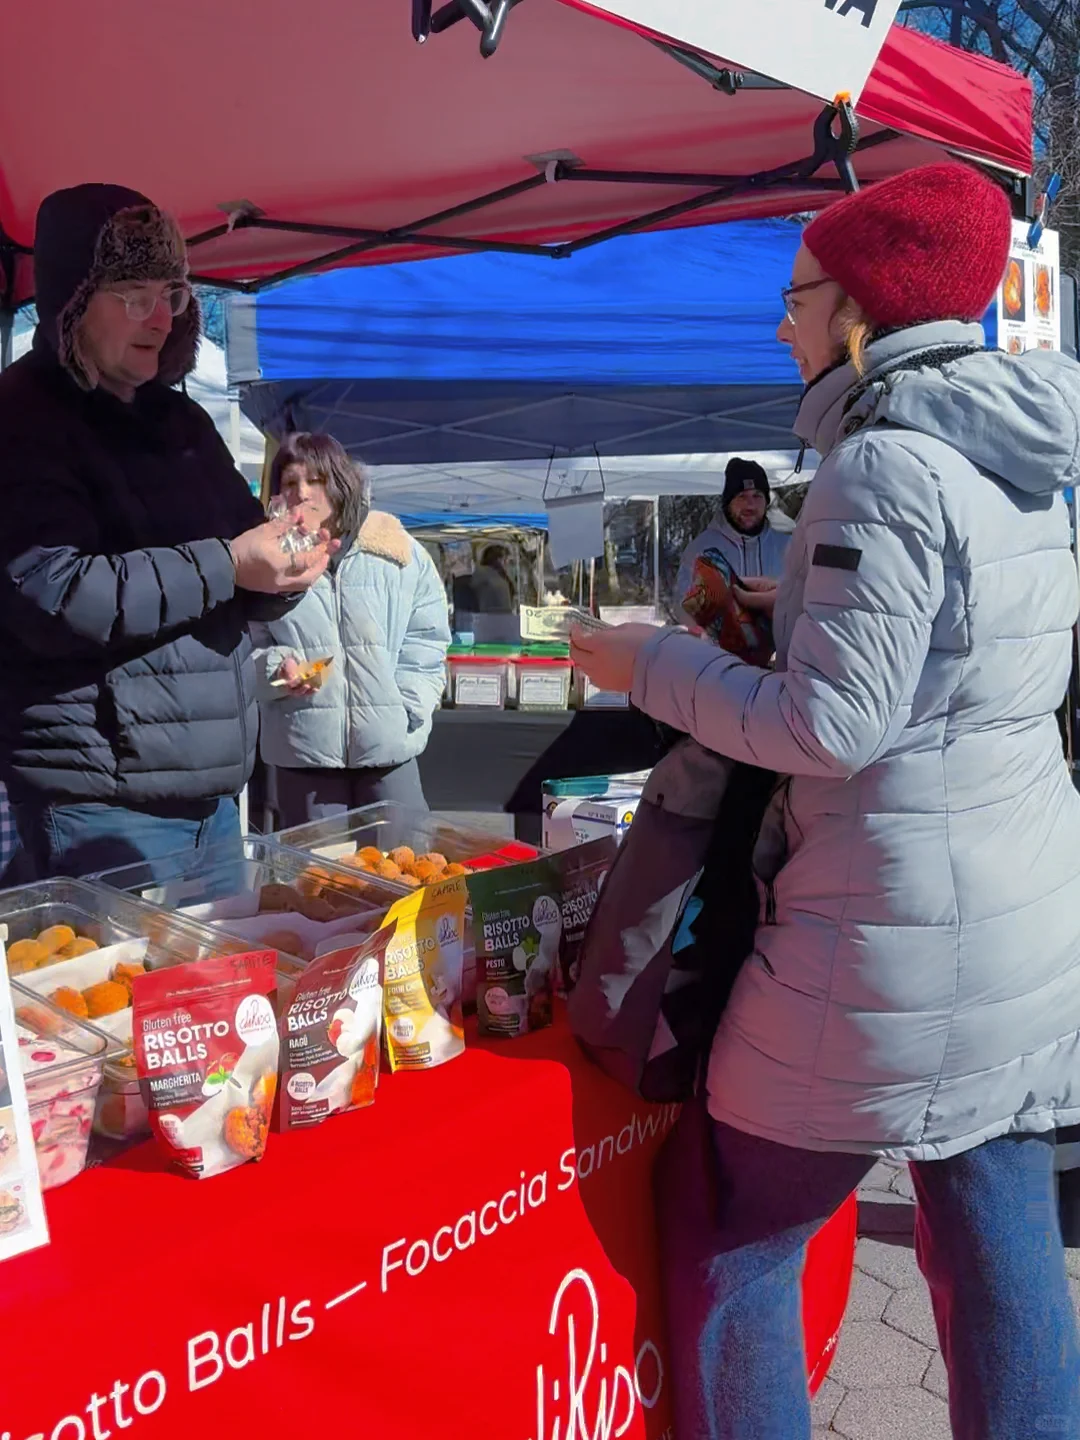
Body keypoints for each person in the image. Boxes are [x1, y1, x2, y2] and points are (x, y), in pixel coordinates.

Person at [570, 163, 1080, 1439]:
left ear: (856, 313)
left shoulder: (880, 469)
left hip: (889, 937)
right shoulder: (1014, 459)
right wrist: (778, 620)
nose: (781, 325)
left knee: (730, 1227)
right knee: (1004, 1252)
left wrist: (657, 664)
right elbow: (951, 668)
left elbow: (831, 727)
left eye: (795, 299)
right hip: (1021, 922)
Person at [0, 184, 333, 883]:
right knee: (114, 991)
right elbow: (53, 593)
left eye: (171, 294)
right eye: (132, 295)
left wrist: (286, 566)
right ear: (72, 302)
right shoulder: (23, 417)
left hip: (212, 803)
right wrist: (231, 564)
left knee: (217, 991)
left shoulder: (183, 423)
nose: (158, 316)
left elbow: (243, 560)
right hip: (98, 802)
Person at [252, 432, 450, 825]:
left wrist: (407, 708)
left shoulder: (399, 554)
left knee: (403, 874)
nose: (303, 493)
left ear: (339, 483)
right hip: (304, 752)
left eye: (316, 480)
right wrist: (277, 670)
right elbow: (244, 647)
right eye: (291, 483)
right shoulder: (264, 564)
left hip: (390, 752)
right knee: (315, 881)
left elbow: (427, 640)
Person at [673, 457, 790, 623]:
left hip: (781, 647)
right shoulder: (703, 549)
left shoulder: (788, 547)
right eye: (741, 496)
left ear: (766, 501)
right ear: (728, 503)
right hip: (719, 648)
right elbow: (683, 605)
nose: (750, 505)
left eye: (757, 496)